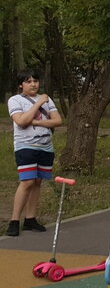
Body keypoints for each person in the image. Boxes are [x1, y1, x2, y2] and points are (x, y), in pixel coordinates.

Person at [8, 69, 62, 236]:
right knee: (27, 181)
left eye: (35, 81)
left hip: (45, 147)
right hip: (26, 146)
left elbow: (57, 121)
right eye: (28, 81)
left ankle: (30, 219)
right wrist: (38, 104)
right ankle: (14, 221)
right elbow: (21, 121)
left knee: (37, 181)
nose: (33, 84)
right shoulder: (15, 100)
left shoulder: (47, 99)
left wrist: (37, 123)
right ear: (21, 85)